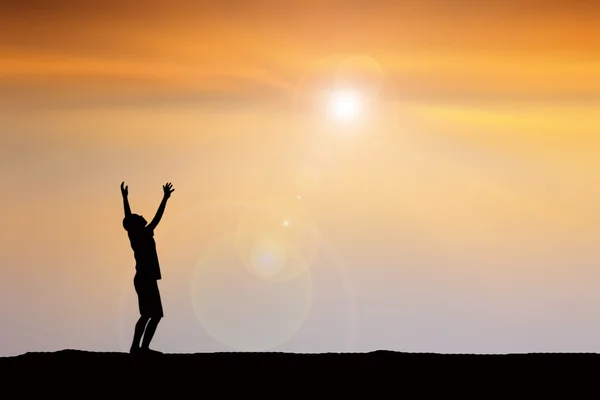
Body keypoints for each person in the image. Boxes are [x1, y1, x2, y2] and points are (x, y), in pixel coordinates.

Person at [121, 181, 175, 354]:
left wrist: (125, 198)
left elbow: (131, 218)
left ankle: (141, 347)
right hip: (145, 278)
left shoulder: (139, 233)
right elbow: (153, 218)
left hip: (146, 278)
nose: (141, 216)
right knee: (149, 314)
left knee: (153, 314)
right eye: (137, 217)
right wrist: (165, 199)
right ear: (135, 225)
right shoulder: (139, 234)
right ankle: (138, 348)